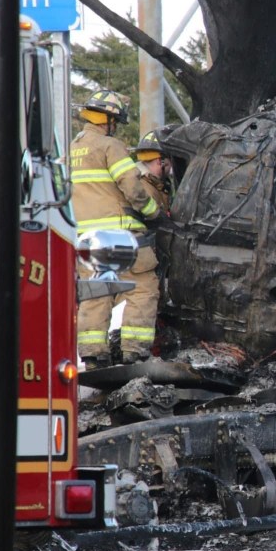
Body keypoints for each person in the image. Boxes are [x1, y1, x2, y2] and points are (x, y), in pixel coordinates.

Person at [71, 90, 161, 369]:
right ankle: (134, 352)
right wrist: (153, 212)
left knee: (96, 291)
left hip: (87, 241)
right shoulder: (110, 146)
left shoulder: (71, 150)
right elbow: (132, 188)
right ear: (108, 119)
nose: (116, 128)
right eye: (116, 122)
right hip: (120, 237)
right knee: (143, 288)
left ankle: (93, 355)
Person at [130, 129, 174, 215]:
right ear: (160, 161)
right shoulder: (144, 188)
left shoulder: (152, 182)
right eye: (171, 160)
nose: (172, 165)